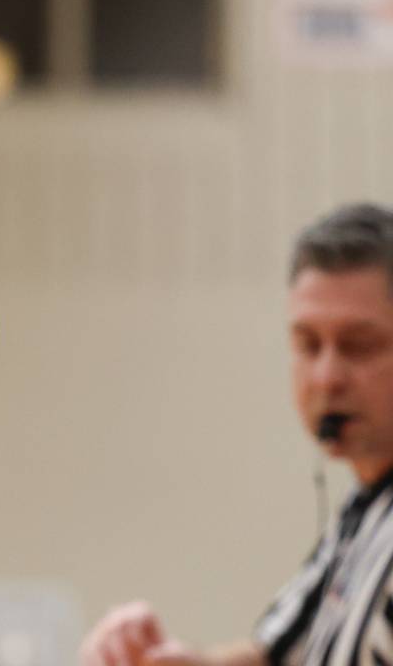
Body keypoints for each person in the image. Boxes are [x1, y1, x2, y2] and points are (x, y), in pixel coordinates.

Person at [79, 203, 393, 666]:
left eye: (359, 346)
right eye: (308, 345)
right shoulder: (360, 512)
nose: (326, 377)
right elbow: (276, 651)